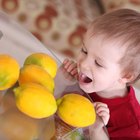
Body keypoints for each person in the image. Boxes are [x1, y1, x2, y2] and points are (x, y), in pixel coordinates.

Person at [62, 9, 140, 140]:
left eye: (98, 63)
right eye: (84, 51)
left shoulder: (131, 125)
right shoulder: (85, 76)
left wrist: (97, 130)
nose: (83, 64)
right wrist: (65, 79)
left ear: (125, 75)